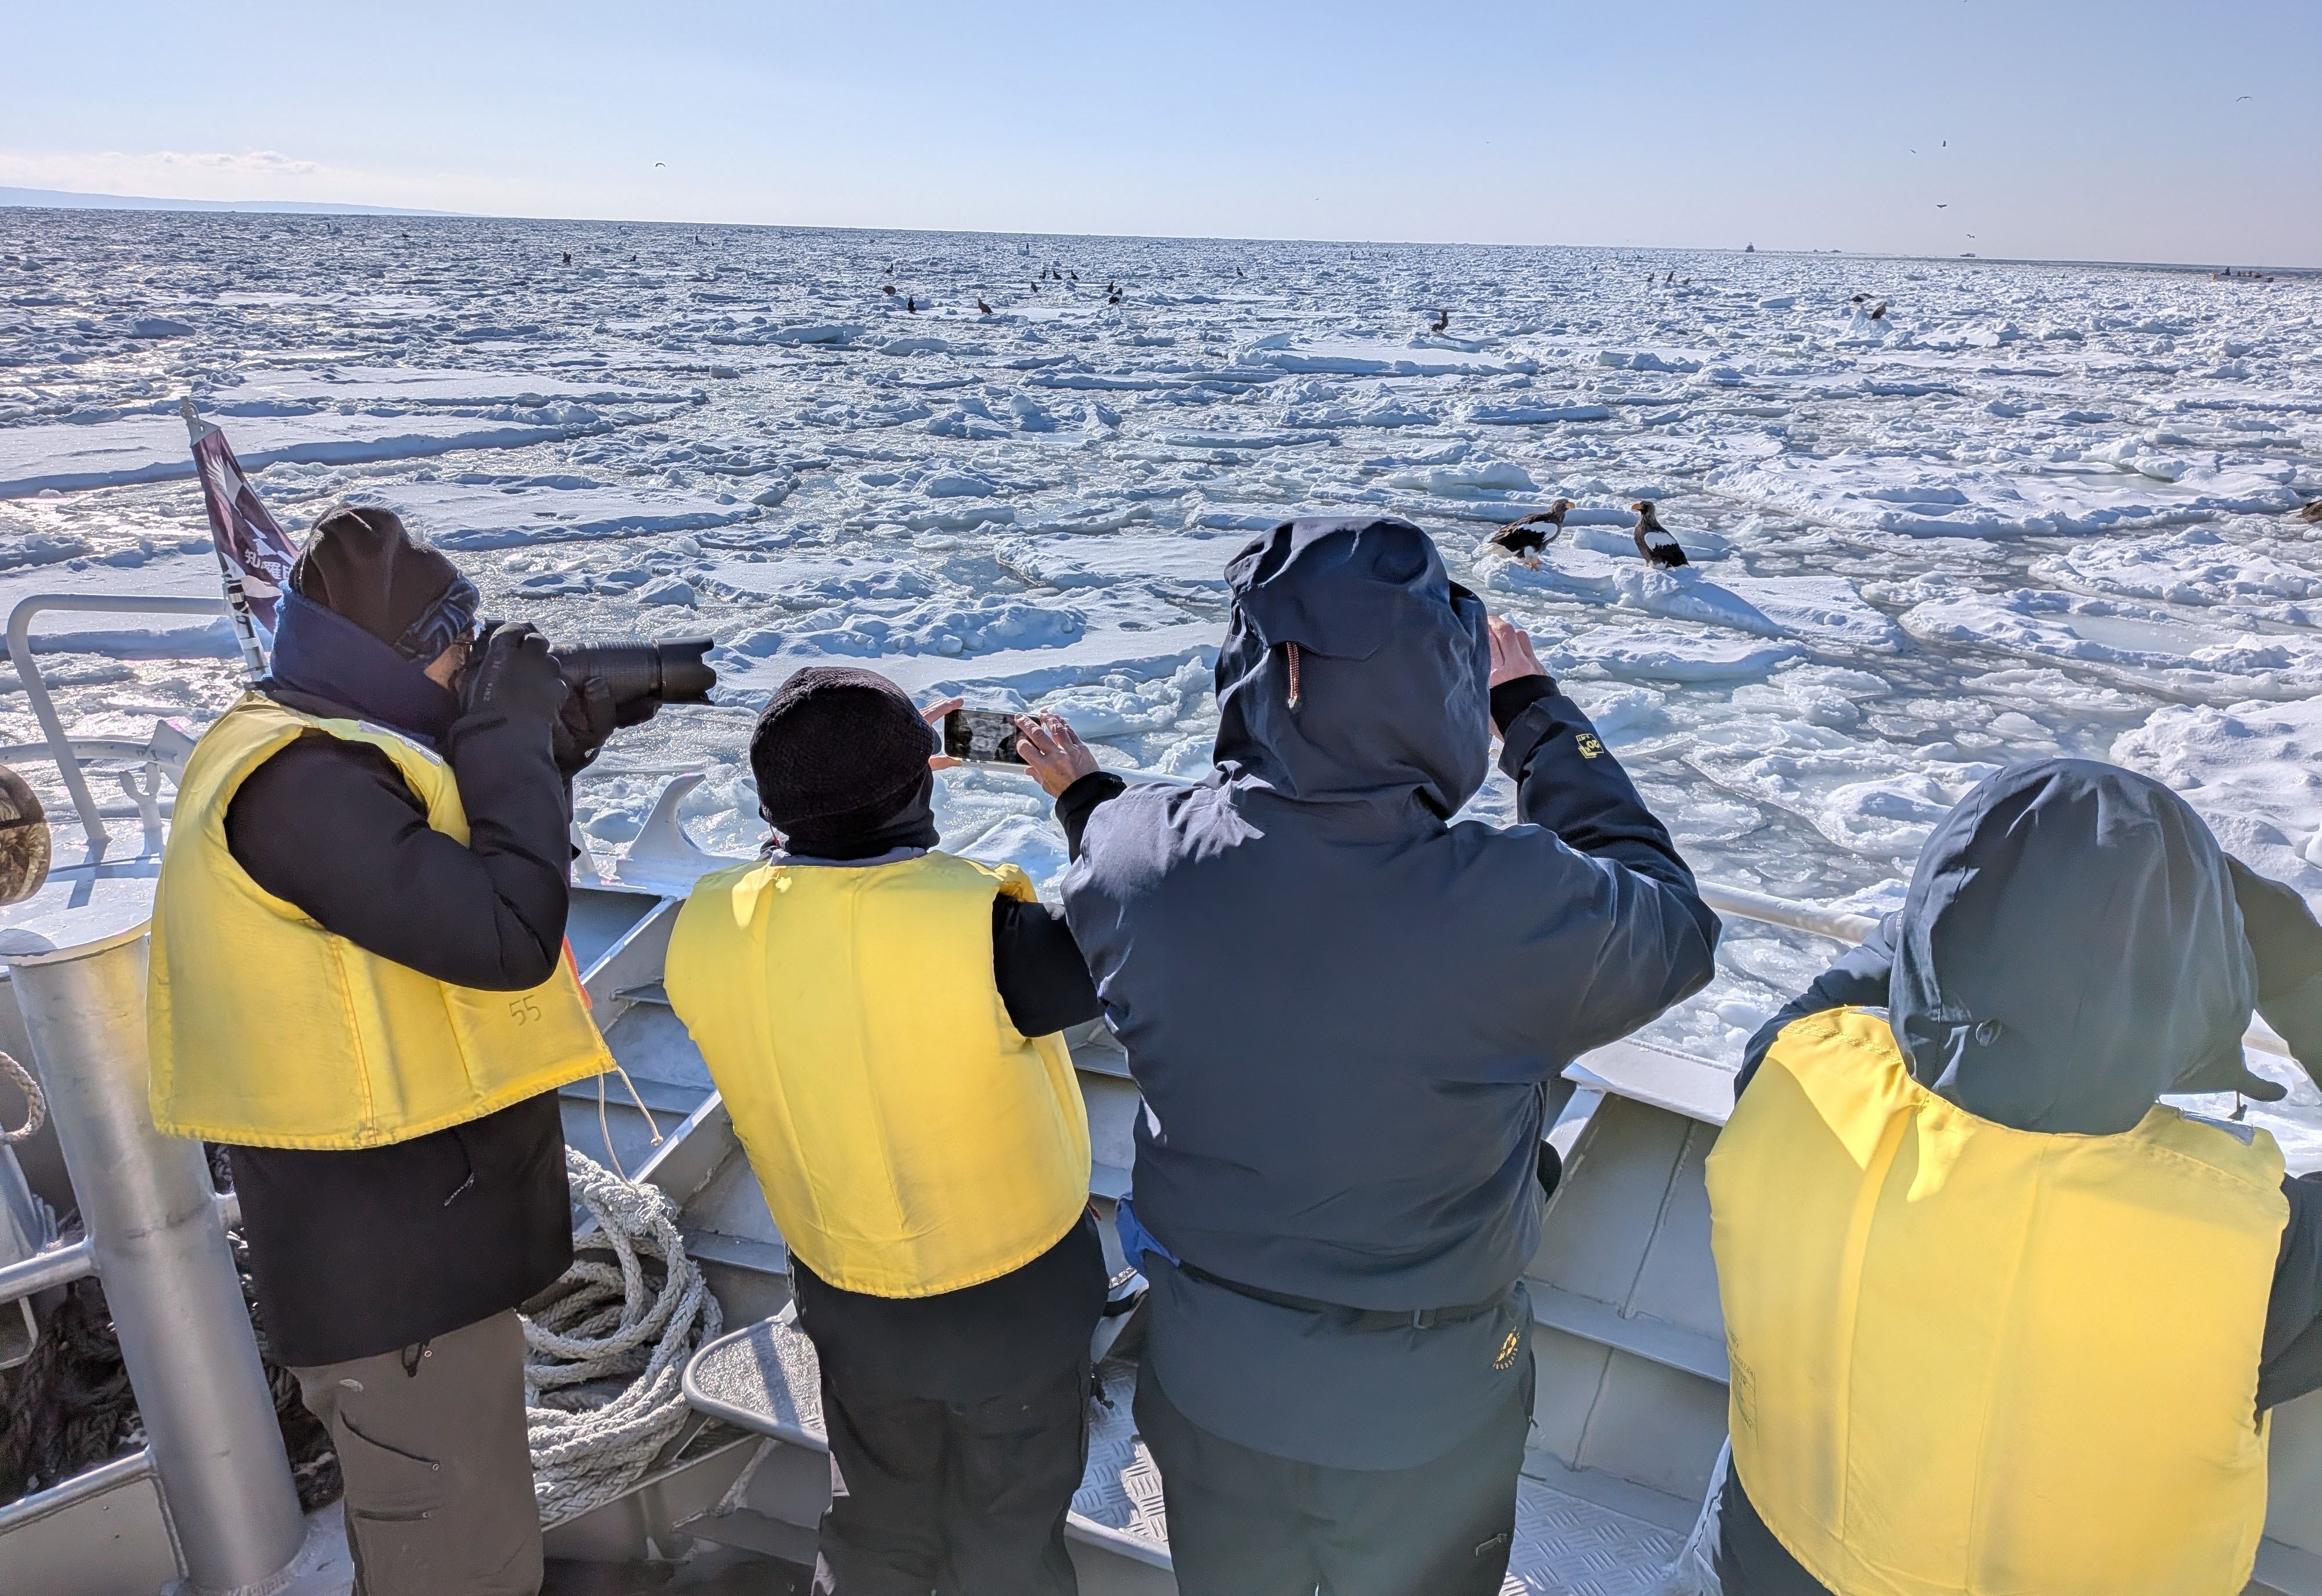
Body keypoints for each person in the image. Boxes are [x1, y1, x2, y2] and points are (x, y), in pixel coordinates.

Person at [1012, 515, 1721, 1596]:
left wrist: (1080, 793)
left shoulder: (1132, 856)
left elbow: (1122, 845)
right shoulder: (1514, 903)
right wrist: (1534, 715)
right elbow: (1674, 923)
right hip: (1425, 1413)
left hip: (1214, 1388)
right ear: (1441, 683)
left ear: (1254, 666)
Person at [147, 505, 630, 1596]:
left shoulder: (331, 744)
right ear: (400, 656)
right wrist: (507, 740)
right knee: (465, 1569)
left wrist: (540, 756)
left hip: (409, 1254)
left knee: (443, 1550)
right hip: (391, 1286)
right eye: (463, 643)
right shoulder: (301, 784)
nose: (472, 667)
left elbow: (461, 876)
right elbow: (508, 934)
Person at [1707, 759, 2322, 1596]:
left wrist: (1971, 893)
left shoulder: (1793, 1078)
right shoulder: (2258, 1244)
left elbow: (1858, 980)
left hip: (1775, 1568)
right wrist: (2294, 965)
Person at [663, 665, 1109, 1596]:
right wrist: (1085, 800)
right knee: (1009, 1532)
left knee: (876, 1518)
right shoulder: (992, 931)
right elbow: (1136, 925)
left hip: (848, 1294)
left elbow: (811, 903)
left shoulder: (705, 925)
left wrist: (868, 773)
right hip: (1013, 1303)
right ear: (924, 781)